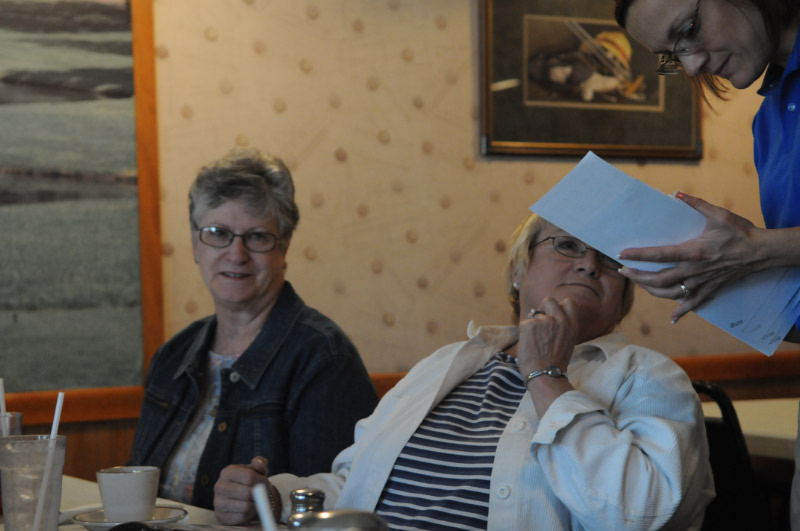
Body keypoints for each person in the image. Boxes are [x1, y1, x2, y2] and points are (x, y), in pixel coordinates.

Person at [213, 213, 714, 530]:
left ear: (624, 297)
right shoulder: (445, 363)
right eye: (566, 245)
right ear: (518, 271)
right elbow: (357, 483)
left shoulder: (650, 378)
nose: (588, 264)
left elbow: (641, 513)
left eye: (607, 259)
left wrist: (547, 375)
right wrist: (274, 498)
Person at [613, 1, 800, 526]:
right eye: (673, 55)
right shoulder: (770, 120)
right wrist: (718, 281)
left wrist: (758, 249)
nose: (692, 65)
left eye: (690, 30)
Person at [127, 148, 378, 510]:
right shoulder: (172, 356)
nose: (236, 253)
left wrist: (269, 502)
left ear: (284, 247)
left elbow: (338, 508)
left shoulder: (325, 360)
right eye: (218, 233)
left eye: (258, 237)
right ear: (196, 244)